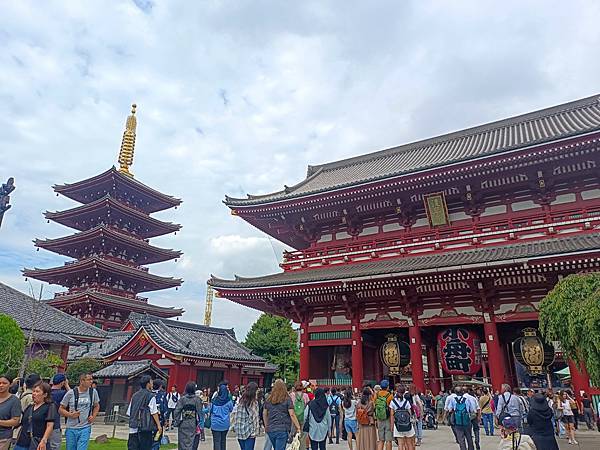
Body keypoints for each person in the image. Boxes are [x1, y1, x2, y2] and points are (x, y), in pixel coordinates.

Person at [59, 373, 100, 450]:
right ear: (82, 381)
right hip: (71, 427)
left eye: (92, 379)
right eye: (89, 379)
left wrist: (93, 416)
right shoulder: (71, 393)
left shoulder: (93, 392)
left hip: (85, 426)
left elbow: (96, 406)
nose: (91, 381)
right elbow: (61, 409)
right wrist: (70, 415)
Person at [14, 382, 57, 450]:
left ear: (45, 394)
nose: (34, 393)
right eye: (33, 391)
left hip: (36, 443)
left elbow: (50, 425)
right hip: (21, 443)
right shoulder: (29, 407)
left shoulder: (49, 407)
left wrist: (44, 440)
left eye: (37, 391)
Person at [263, 379, 301, 450]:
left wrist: (266, 425)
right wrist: (298, 426)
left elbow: (265, 413)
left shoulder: (269, 399)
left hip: (271, 428)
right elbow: (292, 414)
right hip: (282, 428)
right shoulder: (287, 399)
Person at [126, 375, 161, 450]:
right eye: (151, 382)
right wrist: (159, 425)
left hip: (133, 427)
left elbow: (129, 412)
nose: (152, 384)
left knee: (133, 447)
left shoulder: (134, 396)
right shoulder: (151, 396)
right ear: (147, 384)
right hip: (145, 427)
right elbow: (154, 412)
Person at [173, 382, 203, 450]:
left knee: (182, 441)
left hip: (183, 422)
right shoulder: (197, 399)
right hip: (192, 422)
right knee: (191, 441)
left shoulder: (182, 399)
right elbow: (200, 411)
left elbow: (176, 411)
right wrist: (199, 422)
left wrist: (177, 421)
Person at [232, 382, 260, 450]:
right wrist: (256, 432)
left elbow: (235, 414)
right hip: (249, 432)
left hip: (240, 431)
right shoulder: (253, 403)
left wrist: (234, 426)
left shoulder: (240, 400)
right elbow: (254, 418)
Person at [389, 386, 416, 450]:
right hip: (407, 425)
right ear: (404, 393)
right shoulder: (406, 402)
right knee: (409, 443)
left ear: (396, 392)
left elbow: (392, 415)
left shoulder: (393, 402)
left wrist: (392, 426)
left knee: (400, 444)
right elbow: (410, 414)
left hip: (398, 425)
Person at [211, 382, 235, 450]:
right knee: (223, 441)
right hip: (225, 424)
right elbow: (231, 410)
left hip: (215, 424)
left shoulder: (214, 400)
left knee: (216, 442)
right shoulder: (229, 402)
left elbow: (211, 410)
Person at [0, 374, 21, 450]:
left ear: (10, 384)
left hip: (3, 438)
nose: (1, 385)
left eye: (4, 383)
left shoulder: (14, 400)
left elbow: (15, 421)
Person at [49, 374, 69, 450]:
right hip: (55, 424)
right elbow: (73, 395)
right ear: (62, 382)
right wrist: (67, 385)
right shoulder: (63, 393)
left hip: (44, 423)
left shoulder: (46, 392)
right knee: (55, 446)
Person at [290, 381, 309, 450]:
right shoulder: (305, 395)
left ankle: (295, 447)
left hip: (294, 417)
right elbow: (307, 405)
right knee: (302, 434)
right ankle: (302, 447)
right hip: (303, 417)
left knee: (294, 433)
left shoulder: (291, 395)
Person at [375, 380, 393, 450]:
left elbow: (375, 405)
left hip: (379, 417)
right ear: (387, 387)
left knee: (381, 439)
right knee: (388, 440)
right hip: (387, 418)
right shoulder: (390, 396)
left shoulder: (377, 394)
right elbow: (391, 407)